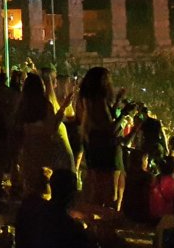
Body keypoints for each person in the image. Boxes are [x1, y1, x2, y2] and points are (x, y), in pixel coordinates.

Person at [78, 67, 134, 210]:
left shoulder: (88, 100)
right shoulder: (99, 101)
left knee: (101, 192)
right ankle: (106, 227)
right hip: (108, 154)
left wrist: (117, 102)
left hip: (97, 150)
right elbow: (109, 129)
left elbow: (103, 122)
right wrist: (124, 114)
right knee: (112, 196)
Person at [16, 73, 75, 195]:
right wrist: (63, 108)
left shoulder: (21, 107)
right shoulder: (45, 106)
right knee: (44, 186)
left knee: (31, 187)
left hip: (28, 151)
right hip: (44, 151)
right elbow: (52, 128)